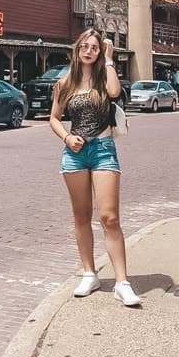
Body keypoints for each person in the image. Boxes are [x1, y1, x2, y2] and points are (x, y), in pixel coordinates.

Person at [50, 29, 141, 307]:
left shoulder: (104, 78)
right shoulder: (65, 82)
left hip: (103, 151)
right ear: (77, 49)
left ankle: (122, 282)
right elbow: (53, 118)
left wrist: (111, 60)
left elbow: (115, 92)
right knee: (81, 216)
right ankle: (89, 273)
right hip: (74, 154)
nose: (89, 51)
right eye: (85, 46)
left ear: (100, 52)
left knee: (109, 217)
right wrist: (66, 136)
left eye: (95, 48)